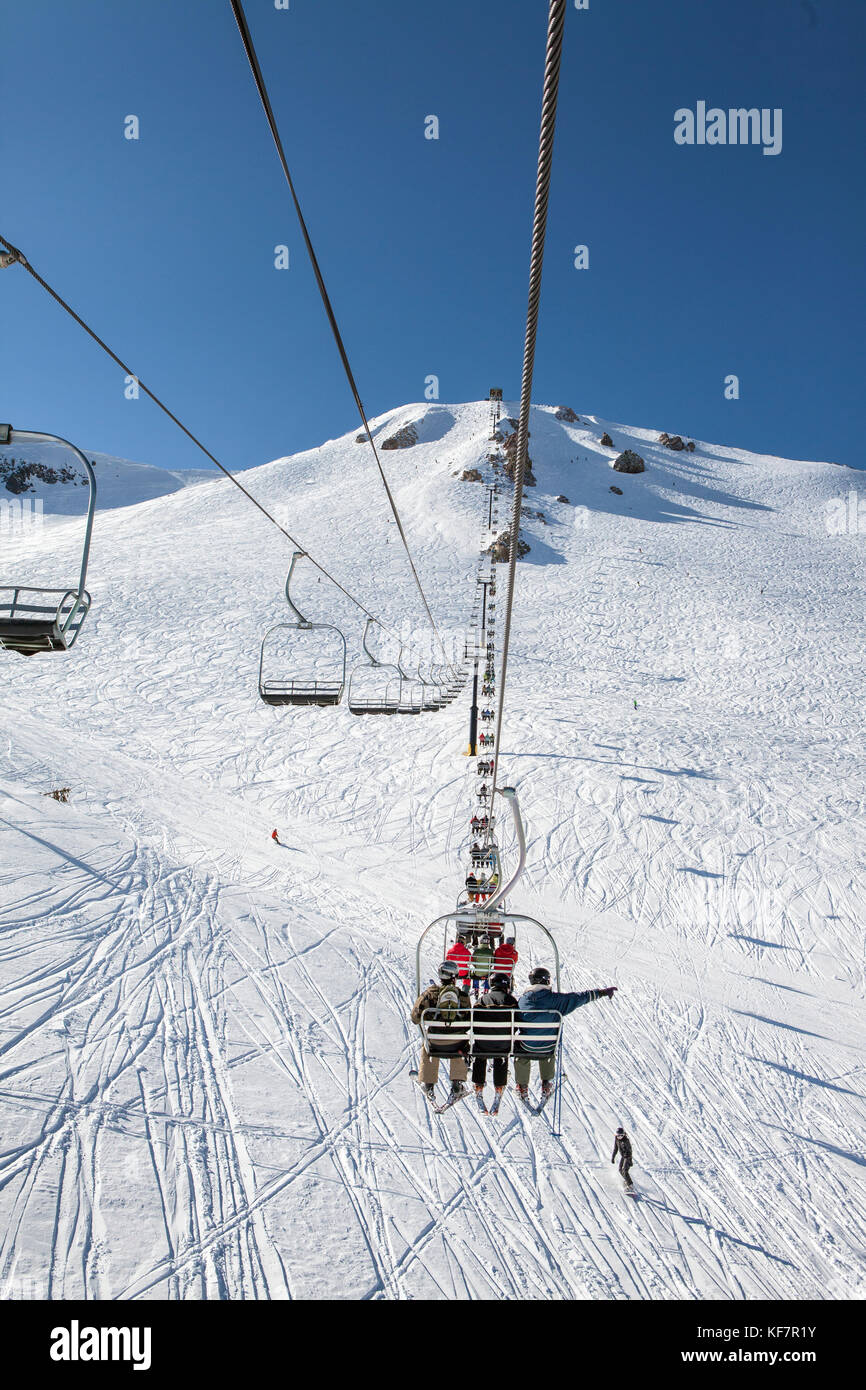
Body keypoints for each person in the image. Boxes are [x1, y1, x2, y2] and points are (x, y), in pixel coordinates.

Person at [515, 968, 617, 1101]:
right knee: (548, 1050)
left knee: (521, 1051)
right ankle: (546, 1084)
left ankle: (522, 1086)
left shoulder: (522, 1001)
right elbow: (579, 997)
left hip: (527, 1047)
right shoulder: (556, 1000)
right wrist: (601, 993)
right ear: (546, 981)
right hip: (547, 1048)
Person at [410, 961, 470, 1099]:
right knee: (463, 1043)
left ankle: (428, 1083)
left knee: (426, 1045)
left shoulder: (430, 994)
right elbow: (468, 1022)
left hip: (435, 1043)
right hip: (457, 1044)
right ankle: (457, 1084)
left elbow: (415, 1017)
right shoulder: (463, 997)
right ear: (454, 977)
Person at [472, 972, 519, 1105]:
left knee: (480, 1052)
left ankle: (478, 1085)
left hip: (483, 1044)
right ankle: (499, 1087)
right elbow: (517, 1022)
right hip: (504, 1044)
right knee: (501, 1052)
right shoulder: (511, 1001)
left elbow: (473, 1021)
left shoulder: (482, 1000)